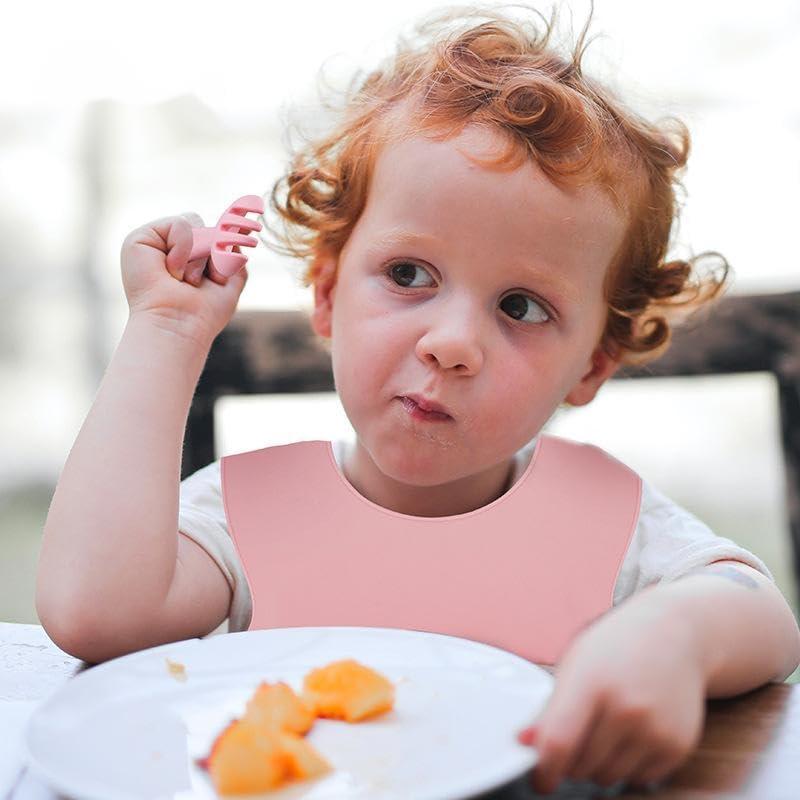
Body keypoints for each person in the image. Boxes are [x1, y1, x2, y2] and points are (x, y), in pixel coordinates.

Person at [37, 5, 800, 794]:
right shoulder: (250, 513)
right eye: (409, 275)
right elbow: (94, 612)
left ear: (592, 362)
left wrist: (673, 636)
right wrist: (165, 331)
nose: (452, 343)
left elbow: (759, 614)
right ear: (329, 295)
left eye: (520, 308)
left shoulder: (606, 521)